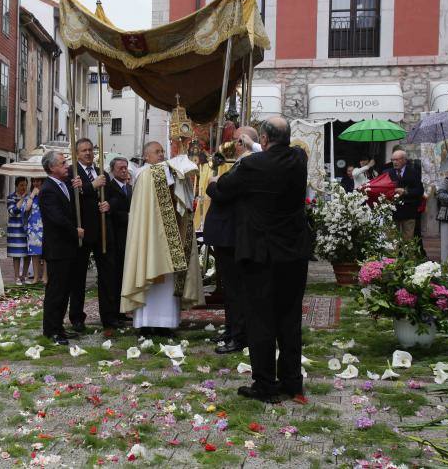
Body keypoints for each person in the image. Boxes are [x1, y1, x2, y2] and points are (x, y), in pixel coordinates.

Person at [210, 116, 312, 404]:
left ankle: (265, 385)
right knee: (289, 319)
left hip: (261, 254)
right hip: (293, 254)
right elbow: (277, 150)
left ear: (264, 140)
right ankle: (292, 382)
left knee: (261, 320)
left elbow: (221, 190)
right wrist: (253, 143)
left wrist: (213, 181)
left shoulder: (252, 165)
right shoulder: (298, 159)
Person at [120, 142, 203, 337]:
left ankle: (166, 324)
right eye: (156, 152)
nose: (161, 155)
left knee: (167, 284)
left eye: (162, 152)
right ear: (146, 156)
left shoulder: (165, 172)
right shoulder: (145, 174)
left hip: (169, 237)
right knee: (151, 279)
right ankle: (146, 324)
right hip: (150, 240)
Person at [204, 132, 256, 355]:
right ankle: (232, 328)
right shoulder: (240, 164)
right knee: (229, 287)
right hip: (226, 234)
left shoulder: (247, 163)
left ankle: (238, 334)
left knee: (236, 289)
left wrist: (212, 184)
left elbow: (223, 193)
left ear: (243, 142)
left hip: (232, 234)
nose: (232, 144)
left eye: (236, 140)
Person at [69, 138, 118, 331]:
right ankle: (77, 318)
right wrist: (92, 186)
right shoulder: (72, 173)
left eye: (90, 150)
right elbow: (74, 199)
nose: (88, 153)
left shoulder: (102, 173)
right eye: (83, 151)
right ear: (77, 153)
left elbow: (116, 195)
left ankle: (109, 316)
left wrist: (110, 205)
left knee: (107, 275)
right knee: (78, 277)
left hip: (103, 233)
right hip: (83, 231)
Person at [39, 151, 84, 345]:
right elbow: (56, 218)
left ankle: (59, 327)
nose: (67, 165)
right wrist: (75, 231)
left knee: (65, 290)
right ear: (52, 168)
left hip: (68, 248)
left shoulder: (64, 184)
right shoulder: (48, 189)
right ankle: (51, 330)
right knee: (56, 291)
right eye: (63, 163)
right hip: (57, 248)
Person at [105, 157, 133, 325]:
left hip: (128, 237)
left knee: (124, 275)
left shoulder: (129, 188)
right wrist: (128, 217)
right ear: (113, 170)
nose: (124, 170)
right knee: (114, 277)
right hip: (115, 237)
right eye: (121, 168)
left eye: (126, 167)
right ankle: (113, 311)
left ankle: (122, 309)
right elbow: (109, 211)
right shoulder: (109, 187)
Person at [384, 150, 424, 241]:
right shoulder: (387, 173)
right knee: (392, 241)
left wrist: (405, 191)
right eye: (393, 160)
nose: (394, 162)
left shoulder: (413, 172)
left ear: (404, 160)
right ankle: (393, 256)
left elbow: (419, 191)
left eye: (397, 160)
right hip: (392, 212)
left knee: (408, 240)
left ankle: (406, 255)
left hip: (409, 211)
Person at [6, 177, 30, 284]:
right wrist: (22, 199)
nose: (23, 187)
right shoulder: (11, 197)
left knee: (27, 254)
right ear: (16, 186)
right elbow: (12, 211)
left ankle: (24, 276)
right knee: (16, 255)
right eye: (21, 185)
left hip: (27, 229)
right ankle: (16, 277)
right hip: (15, 229)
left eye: (25, 185)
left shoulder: (30, 197)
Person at [25, 178, 45, 284]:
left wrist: (40, 194)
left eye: (37, 180)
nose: (35, 183)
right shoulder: (31, 195)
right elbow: (27, 208)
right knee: (34, 253)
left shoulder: (46, 192)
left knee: (46, 252)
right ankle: (36, 277)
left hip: (44, 225)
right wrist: (32, 195)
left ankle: (45, 276)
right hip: (33, 227)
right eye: (33, 181)